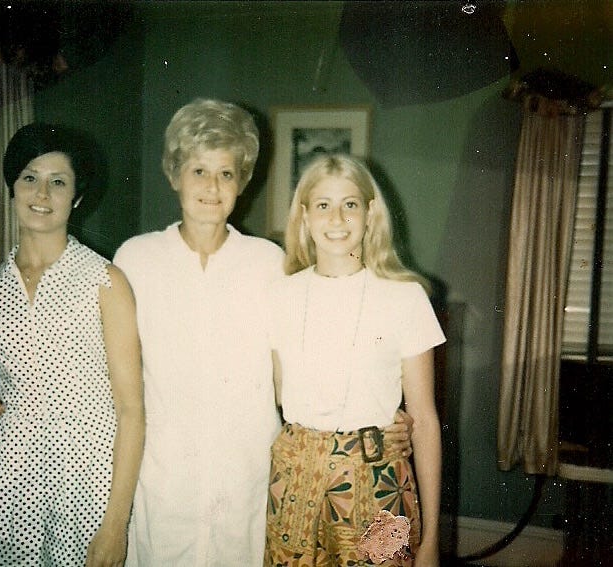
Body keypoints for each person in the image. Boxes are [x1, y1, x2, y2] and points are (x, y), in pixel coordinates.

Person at [111, 99, 414, 566]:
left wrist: (378, 416)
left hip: (250, 477)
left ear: (243, 183)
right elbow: (108, 369)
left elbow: (320, 345)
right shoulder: (135, 259)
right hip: (165, 478)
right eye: (199, 171)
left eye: (227, 174)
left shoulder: (269, 264)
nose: (212, 188)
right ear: (174, 175)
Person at [0, 123, 144, 567]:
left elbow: (131, 410)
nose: (41, 194)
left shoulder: (106, 282)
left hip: (87, 481)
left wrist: (116, 525)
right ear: (12, 187)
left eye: (58, 182)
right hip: (6, 482)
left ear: (76, 198)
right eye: (29, 177)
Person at [265, 154, 444, 567]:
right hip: (294, 488)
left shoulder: (405, 298)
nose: (337, 218)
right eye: (323, 205)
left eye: (350, 204)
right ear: (305, 217)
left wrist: (431, 538)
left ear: (370, 213)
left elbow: (426, 419)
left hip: (379, 486)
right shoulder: (279, 297)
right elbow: (275, 395)